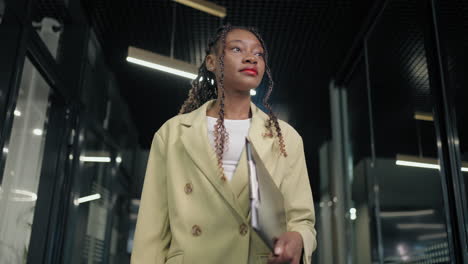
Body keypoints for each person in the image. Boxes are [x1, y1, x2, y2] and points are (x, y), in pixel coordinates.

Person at [131, 24, 317, 264]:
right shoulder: (172, 133)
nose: (251, 57)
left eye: (258, 53)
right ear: (211, 62)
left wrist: (299, 239)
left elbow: (302, 221)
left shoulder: (285, 137)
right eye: (237, 49)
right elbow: (152, 228)